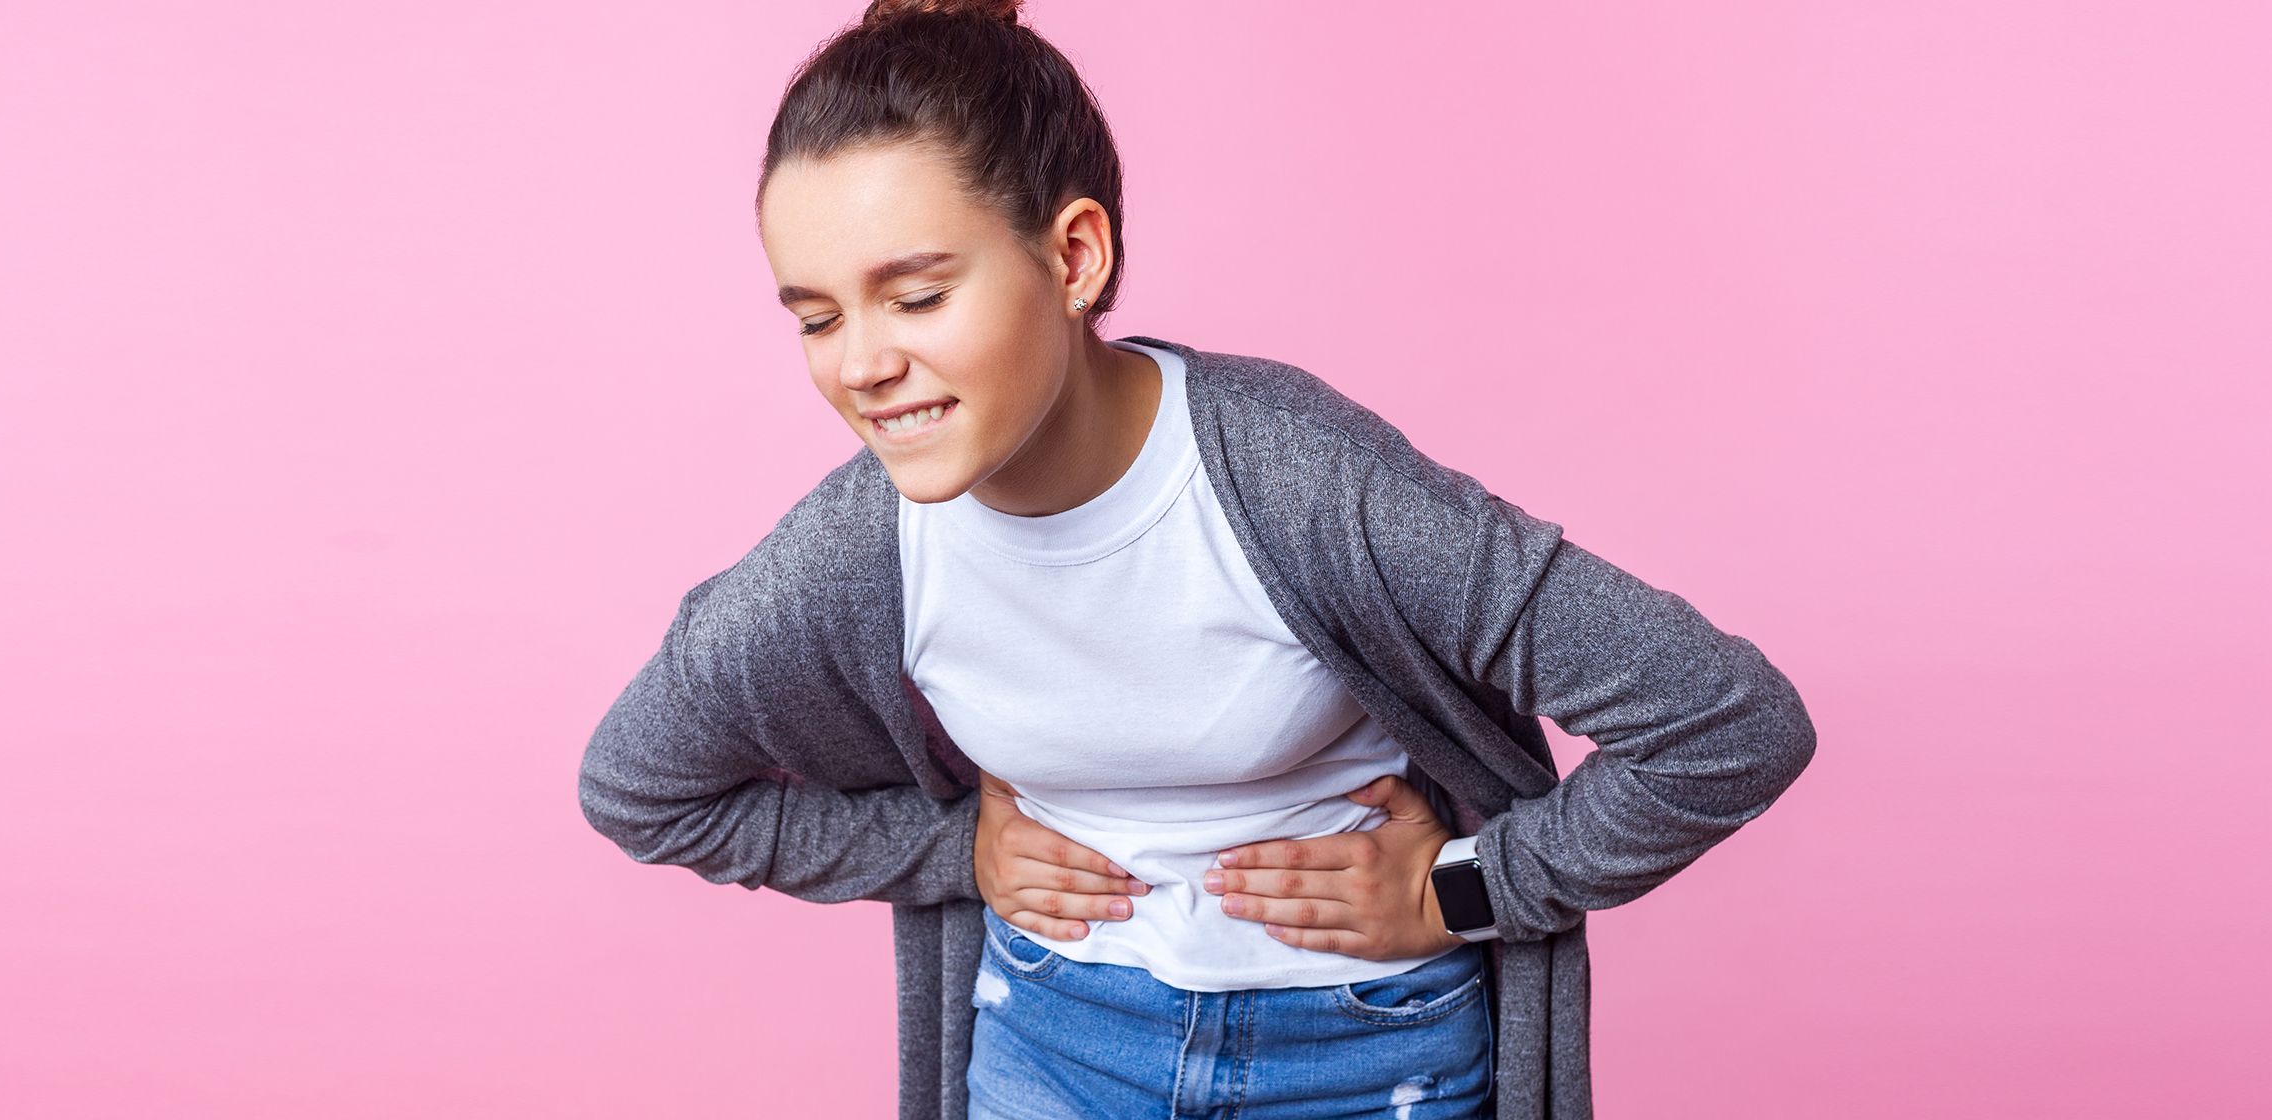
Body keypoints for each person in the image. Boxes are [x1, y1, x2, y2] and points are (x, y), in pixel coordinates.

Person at [578, 2, 1815, 1116]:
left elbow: (1726, 721)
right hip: (1049, 1049)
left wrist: (1466, 890)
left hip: (1366, 1054)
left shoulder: (1299, 482)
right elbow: (639, 785)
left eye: (914, 295)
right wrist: (950, 850)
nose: (859, 365)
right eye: (817, 315)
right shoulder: (862, 547)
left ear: (1075, 258)